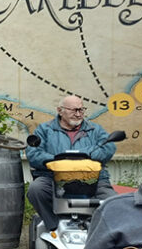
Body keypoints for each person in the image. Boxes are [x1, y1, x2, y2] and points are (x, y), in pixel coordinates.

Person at [26, 95, 117, 231]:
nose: (78, 114)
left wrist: (81, 155)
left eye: (81, 110)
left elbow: (108, 148)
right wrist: (57, 160)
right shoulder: (44, 130)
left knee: (114, 202)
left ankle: (97, 230)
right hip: (53, 178)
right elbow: (33, 153)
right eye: (74, 110)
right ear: (60, 110)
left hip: (93, 179)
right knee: (36, 190)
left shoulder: (95, 130)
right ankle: (54, 226)